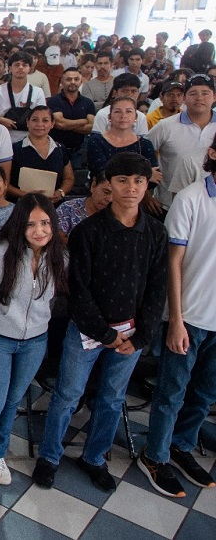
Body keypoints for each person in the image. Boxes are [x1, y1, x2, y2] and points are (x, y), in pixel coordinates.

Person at [34, 153, 168, 492]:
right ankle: (49, 456)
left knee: (112, 398)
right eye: (122, 181)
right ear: (109, 183)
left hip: (131, 333)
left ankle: (94, 457)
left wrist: (140, 337)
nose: (131, 188)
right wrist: (105, 333)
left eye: (138, 181)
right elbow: (78, 290)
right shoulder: (88, 231)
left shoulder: (155, 231)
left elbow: (157, 288)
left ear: (147, 185)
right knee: (68, 394)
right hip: (87, 331)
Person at [0, 194, 68, 487]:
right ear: (19, 225)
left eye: (45, 223)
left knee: (12, 402)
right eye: (31, 224)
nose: (39, 231)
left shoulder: (59, 257)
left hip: (35, 342)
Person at [138, 149, 216, 497]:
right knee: (172, 392)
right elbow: (172, 262)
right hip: (190, 317)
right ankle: (155, 456)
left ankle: (182, 446)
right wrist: (175, 319)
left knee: (205, 394)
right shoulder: (191, 198)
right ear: (213, 153)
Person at [145, 73, 216, 212]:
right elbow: (140, 153)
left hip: (211, 209)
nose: (199, 98)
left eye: (205, 93)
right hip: (168, 205)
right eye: (193, 93)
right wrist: (146, 195)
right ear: (184, 98)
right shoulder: (166, 126)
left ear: (214, 97)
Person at [7, 106, 74, 203]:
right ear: (27, 122)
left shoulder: (60, 149)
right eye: (35, 120)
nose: (39, 124)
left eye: (45, 120)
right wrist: (26, 195)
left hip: (53, 206)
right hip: (22, 205)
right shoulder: (14, 149)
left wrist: (61, 192)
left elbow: (69, 178)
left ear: (52, 124)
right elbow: (5, 183)